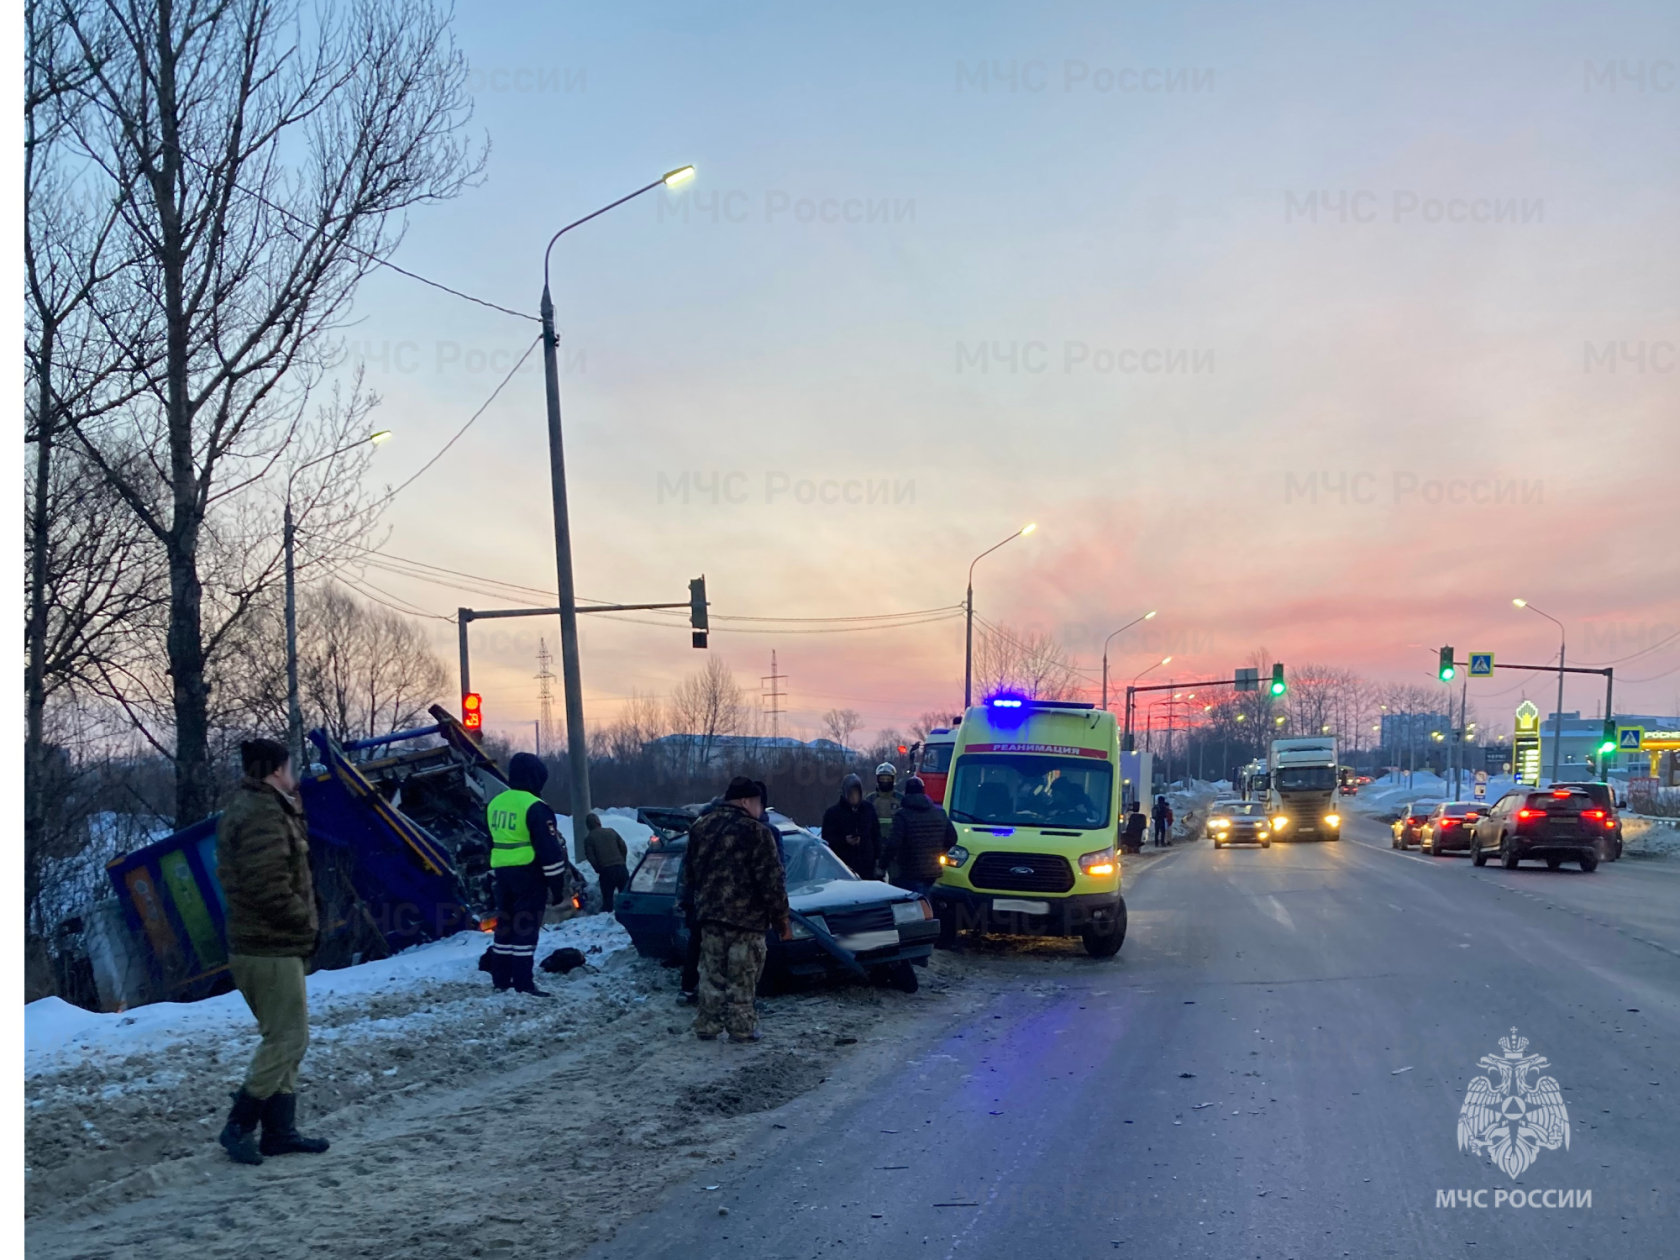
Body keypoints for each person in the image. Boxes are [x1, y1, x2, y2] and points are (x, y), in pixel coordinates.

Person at [215, 738, 330, 1165]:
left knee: (285, 1037)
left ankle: (280, 1131)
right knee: (288, 1037)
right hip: (269, 947)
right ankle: (240, 1124)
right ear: (276, 770)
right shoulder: (262, 815)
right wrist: (305, 920)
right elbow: (268, 888)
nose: (294, 772)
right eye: (290, 765)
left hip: (267, 945)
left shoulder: (258, 808)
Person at [680, 776, 790, 1042]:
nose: (761, 810)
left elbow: (689, 874)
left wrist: (693, 906)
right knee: (743, 976)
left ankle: (707, 1024)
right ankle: (741, 1028)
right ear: (745, 801)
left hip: (710, 918)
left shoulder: (701, 827)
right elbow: (771, 881)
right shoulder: (757, 832)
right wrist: (781, 919)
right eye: (758, 804)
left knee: (711, 973)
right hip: (747, 921)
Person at [484, 752, 572, 996]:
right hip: (529, 876)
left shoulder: (495, 804)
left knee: (505, 927)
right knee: (525, 929)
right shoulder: (536, 807)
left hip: (502, 875)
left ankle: (501, 980)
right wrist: (557, 888)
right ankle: (523, 983)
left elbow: (489, 841)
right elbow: (549, 852)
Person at [882, 775, 957, 896]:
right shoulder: (939, 813)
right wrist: (939, 851)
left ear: (906, 793)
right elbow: (952, 838)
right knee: (926, 905)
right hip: (932, 872)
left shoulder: (902, 815)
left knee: (910, 909)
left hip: (908, 871)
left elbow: (893, 844)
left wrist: (882, 865)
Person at [820, 773, 880, 878]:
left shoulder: (868, 809)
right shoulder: (833, 814)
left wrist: (878, 861)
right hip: (842, 869)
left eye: (857, 793)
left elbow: (876, 836)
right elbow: (826, 841)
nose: (854, 797)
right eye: (851, 793)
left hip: (867, 868)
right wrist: (844, 841)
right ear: (845, 794)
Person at [582, 811, 630, 913]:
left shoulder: (589, 838)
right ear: (599, 822)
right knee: (626, 898)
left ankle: (608, 919)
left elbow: (591, 857)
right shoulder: (611, 831)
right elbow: (623, 846)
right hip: (621, 868)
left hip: (607, 871)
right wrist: (622, 860)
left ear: (588, 826)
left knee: (608, 901)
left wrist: (599, 869)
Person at [870, 762, 904, 874]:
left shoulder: (900, 799)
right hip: (875, 847)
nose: (885, 782)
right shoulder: (870, 799)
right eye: (882, 779)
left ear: (893, 780)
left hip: (896, 850)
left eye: (888, 779)